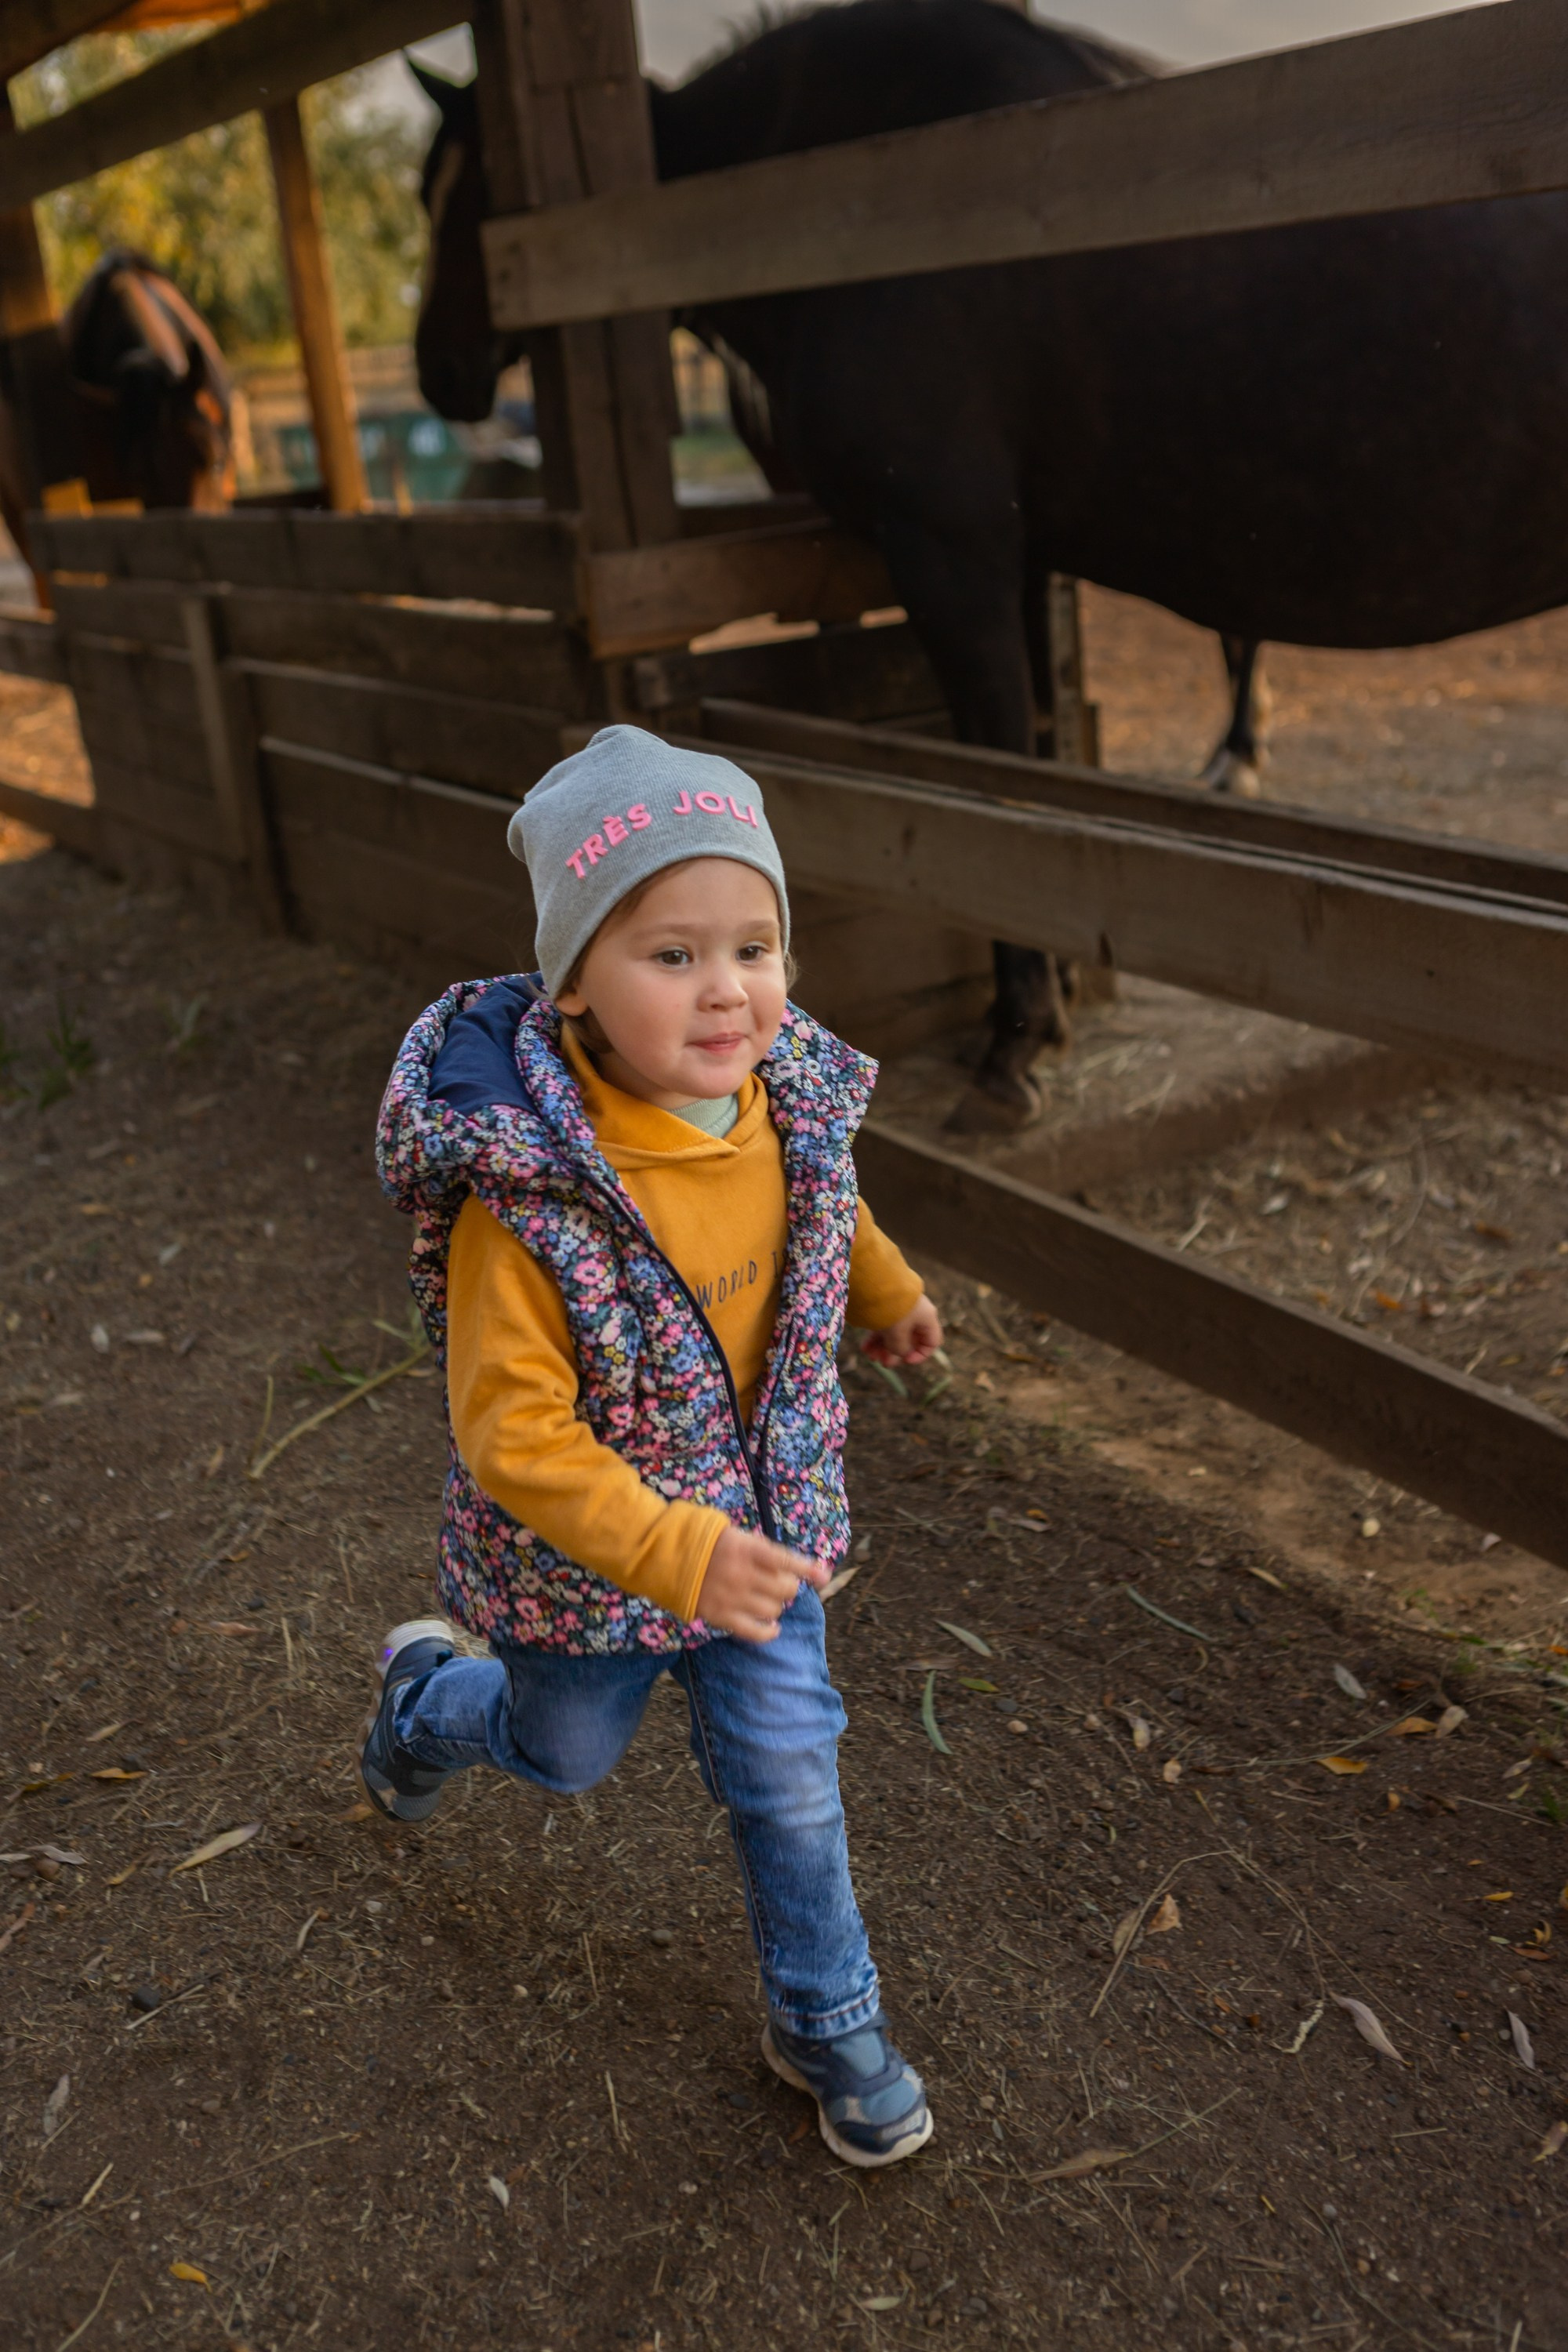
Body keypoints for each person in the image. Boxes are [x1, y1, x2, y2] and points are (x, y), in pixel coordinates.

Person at [365, 724, 944, 2167]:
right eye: (672, 955)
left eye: (755, 946)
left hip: (764, 1539)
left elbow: (828, 1209)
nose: (727, 988)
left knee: (789, 1771)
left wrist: (886, 1293)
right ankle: (426, 1702)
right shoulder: (527, 1195)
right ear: (574, 979)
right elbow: (510, 1433)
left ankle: (828, 2019)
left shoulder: (786, 1099)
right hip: (593, 1565)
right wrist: (674, 1552)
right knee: (562, 1753)